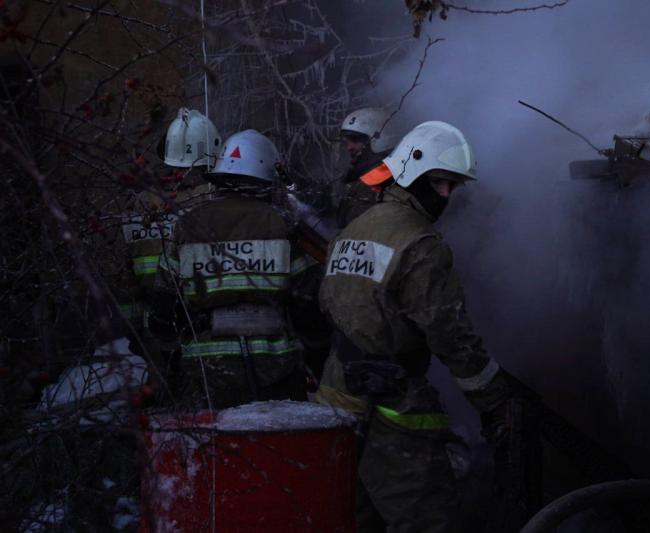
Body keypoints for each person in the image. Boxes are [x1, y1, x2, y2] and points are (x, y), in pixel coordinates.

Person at [316, 121, 535, 532]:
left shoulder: (355, 227)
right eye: (439, 183)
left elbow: (327, 301)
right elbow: (450, 335)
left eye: (453, 186)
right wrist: (494, 399)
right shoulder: (421, 244)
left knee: (351, 513)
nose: (447, 196)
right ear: (412, 173)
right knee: (424, 515)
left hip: (336, 389)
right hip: (393, 405)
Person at [161, 129, 322, 409]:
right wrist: (316, 354)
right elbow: (307, 302)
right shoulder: (279, 225)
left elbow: (164, 300)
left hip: (205, 373)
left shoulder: (188, 224)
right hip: (276, 371)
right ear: (267, 178)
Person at [116, 108, 221, 399]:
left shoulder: (138, 205)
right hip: (213, 337)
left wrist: (141, 338)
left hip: (156, 339)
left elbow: (124, 284)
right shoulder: (215, 202)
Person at [334, 107, 396, 228]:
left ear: (379, 139)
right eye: (347, 141)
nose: (349, 147)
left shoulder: (380, 184)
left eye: (355, 140)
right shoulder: (359, 178)